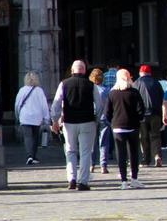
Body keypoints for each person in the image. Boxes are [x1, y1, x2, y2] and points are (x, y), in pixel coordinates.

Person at [51, 59, 97, 191]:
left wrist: (55, 120)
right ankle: (83, 181)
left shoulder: (64, 84)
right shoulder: (91, 85)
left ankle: (71, 178)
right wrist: (97, 119)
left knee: (70, 150)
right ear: (84, 70)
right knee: (85, 152)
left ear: (72, 71)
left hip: (69, 122)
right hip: (87, 121)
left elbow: (56, 103)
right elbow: (99, 105)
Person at [106, 68, 144, 186]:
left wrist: (112, 122)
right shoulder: (134, 92)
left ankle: (123, 180)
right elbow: (140, 110)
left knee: (121, 153)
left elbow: (107, 112)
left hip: (117, 126)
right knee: (133, 153)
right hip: (132, 126)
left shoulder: (112, 93)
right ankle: (134, 178)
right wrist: (139, 119)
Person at [14, 72, 50, 165]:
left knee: (27, 137)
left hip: (25, 117)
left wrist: (17, 116)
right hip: (36, 117)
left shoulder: (22, 90)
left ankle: (29, 155)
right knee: (35, 137)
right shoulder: (39, 91)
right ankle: (33, 156)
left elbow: (17, 104)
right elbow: (44, 105)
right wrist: (46, 118)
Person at [136, 65, 165, 168]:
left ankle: (145, 160)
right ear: (150, 73)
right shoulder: (156, 83)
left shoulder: (137, 83)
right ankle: (157, 156)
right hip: (155, 113)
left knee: (143, 137)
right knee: (155, 136)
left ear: (140, 73)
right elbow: (162, 99)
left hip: (142, 114)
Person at [89, 67, 112, 175]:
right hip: (104, 117)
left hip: (92, 117)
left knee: (91, 143)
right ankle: (103, 165)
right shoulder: (107, 90)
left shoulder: (90, 89)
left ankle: (91, 165)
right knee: (104, 143)